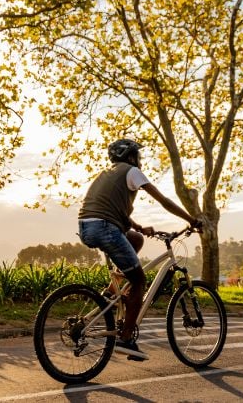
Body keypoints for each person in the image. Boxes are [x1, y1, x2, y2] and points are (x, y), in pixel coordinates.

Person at [77, 139, 200, 361]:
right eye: (138, 155)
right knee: (139, 281)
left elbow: (112, 207)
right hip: (105, 227)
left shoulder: (107, 174)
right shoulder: (132, 171)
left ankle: (113, 291)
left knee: (135, 239)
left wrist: (138, 227)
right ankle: (126, 339)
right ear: (131, 157)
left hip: (88, 226)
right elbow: (163, 201)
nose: (139, 160)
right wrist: (191, 219)